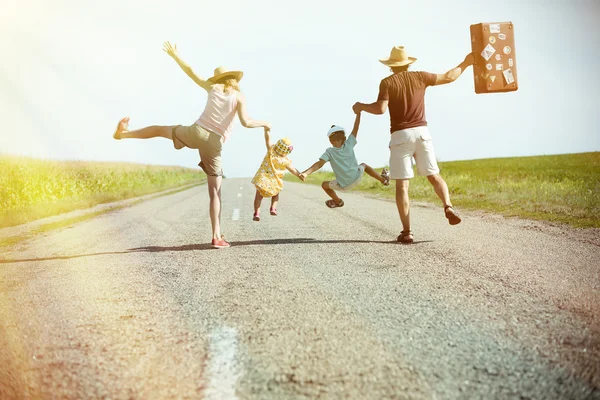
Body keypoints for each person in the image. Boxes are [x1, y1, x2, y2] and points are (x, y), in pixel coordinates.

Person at [112, 41, 271, 249]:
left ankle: (123, 135)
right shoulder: (239, 96)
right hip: (214, 143)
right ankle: (216, 237)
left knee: (161, 130)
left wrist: (175, 55)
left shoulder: (212, 86)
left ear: (219, 79)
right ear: (234, 79)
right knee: (215, 192)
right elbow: (246, 122)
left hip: (196, 132)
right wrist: (265, 124)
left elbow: (190, 71)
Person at [352, 45, 474, 244]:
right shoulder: (421, 77)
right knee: (434, 175)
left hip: (401, 135)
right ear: (408, 63)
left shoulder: (387, 82)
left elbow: (381, 109)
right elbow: (450, 77)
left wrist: (361, 107)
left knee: (402, 184)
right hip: (422, 132)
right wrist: (467, 62)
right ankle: (448, 206)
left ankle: (407, 232)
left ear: (391, 66)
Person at [299, 112, 390, 208]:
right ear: (345, 138)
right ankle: (383, 180)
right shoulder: (349, 143)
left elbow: (319, 164)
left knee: (324, 185)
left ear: (330, 141)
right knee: (364, 165)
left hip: (343, 185)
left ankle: (338, 201)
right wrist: (358, 114)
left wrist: (306, 173)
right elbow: (356, 128)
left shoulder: (329, 152)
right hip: (357, 176)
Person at [251, 136, 304, 221]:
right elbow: (293, 170)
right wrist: (300, 175)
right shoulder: (285, 161)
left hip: (263, 178)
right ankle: (273, 208)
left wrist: (266, 130)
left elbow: (267, 139)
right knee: (276, 194)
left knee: (258, 196)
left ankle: (257, 213)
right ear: (287, 151)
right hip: (274, 181)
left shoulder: (271, 151)